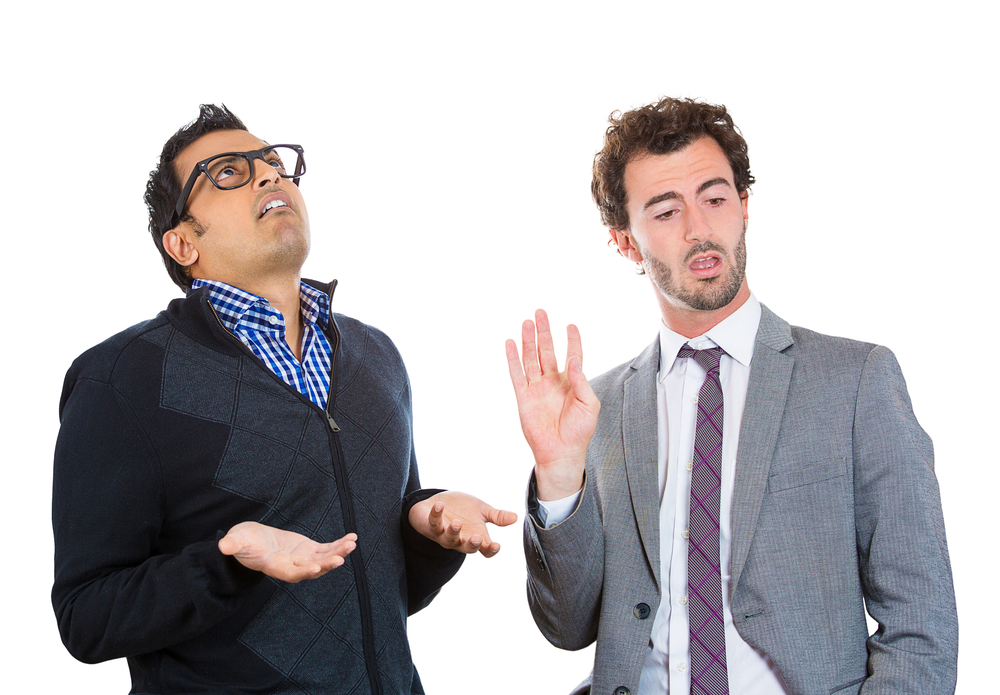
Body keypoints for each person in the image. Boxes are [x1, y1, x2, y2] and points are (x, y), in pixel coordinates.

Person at [52, 104, 516, 694]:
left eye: (274, 163)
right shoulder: (121, 380)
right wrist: (225, 562)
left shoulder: (377, 356)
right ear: (182, 243)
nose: (269, 175)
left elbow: (384, 594)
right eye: (227, 173)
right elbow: (87, 617)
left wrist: (427, 531)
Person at [505, 97, 957, 695]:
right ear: (625, 242)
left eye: (715, 199)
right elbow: (567, 627)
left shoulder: (855, 382)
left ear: (744, 207)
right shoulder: (596, 408)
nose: (699, 229)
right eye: (665, 212)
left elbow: (921, 623)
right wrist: (559, 475)